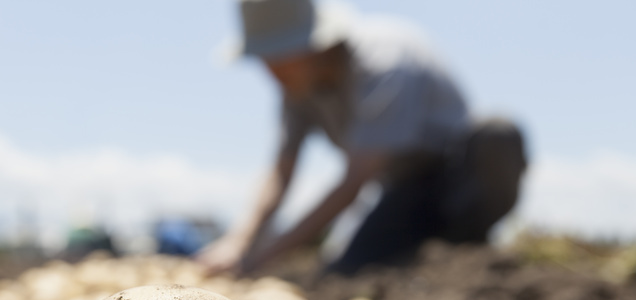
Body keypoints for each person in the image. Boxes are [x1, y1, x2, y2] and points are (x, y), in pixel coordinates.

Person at [195, 0, 527, 276]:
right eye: (265, 59)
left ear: (313, 43)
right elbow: (281, 172)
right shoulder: (297, 91)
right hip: (403, 188)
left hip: (455, 172)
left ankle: (469, 246)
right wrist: (239, 241)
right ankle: (427, 249)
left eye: (279, 57)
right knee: (347, 268)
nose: (271, 72)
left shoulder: (384, 61)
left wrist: (264, 256)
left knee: (497, 136)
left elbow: (354, 182)